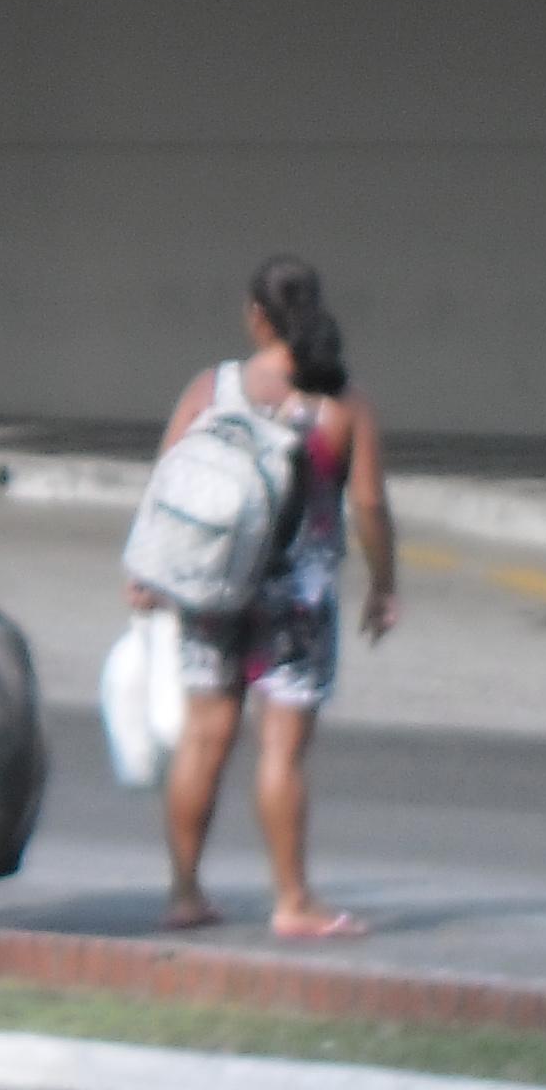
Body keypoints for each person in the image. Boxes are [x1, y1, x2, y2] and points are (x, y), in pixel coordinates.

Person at [146, 256, 398, 940]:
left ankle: (185, 893)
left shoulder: (213, 386)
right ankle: (292, 901)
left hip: (210, 588)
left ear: (256, 315)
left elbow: (167, 486)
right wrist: (384, 584)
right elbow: (369, 503)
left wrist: (146, 572)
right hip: (298, 602)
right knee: (280, 751)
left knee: (203, 738)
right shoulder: (341, 401)